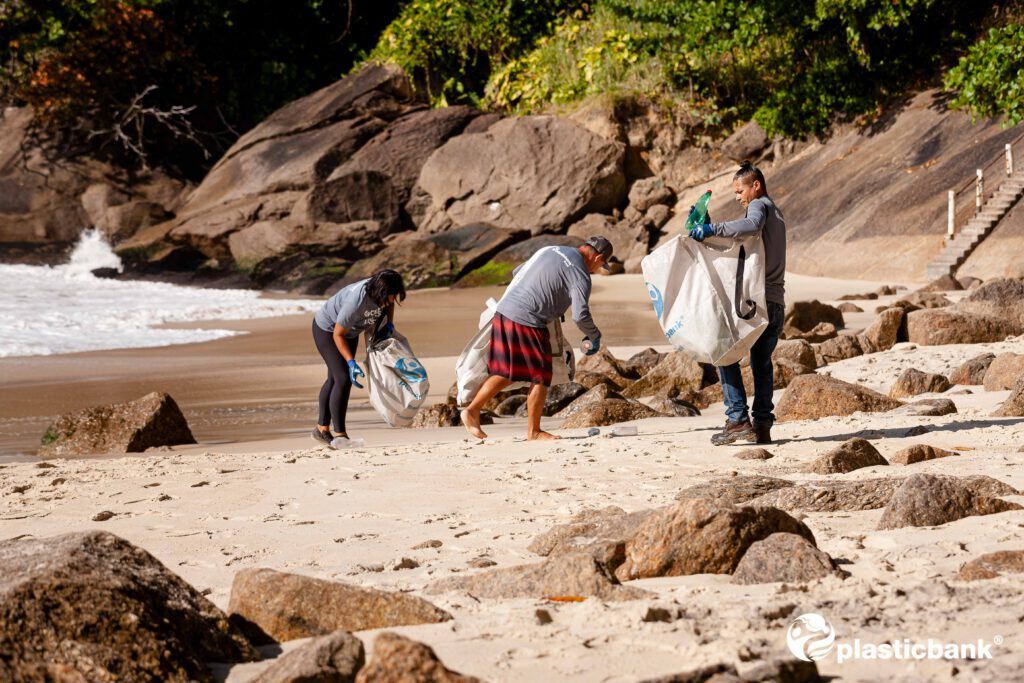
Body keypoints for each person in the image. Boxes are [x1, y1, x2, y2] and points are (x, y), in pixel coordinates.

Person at [461, 237, 612, 441]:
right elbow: (580, 315)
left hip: (504, 311)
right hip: (528, 319)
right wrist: (594, 336)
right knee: (541, 375)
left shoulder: (551, 249)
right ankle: (534, 431)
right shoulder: (580, 273)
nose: (597, 269)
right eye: (601, 265)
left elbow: (518, 273)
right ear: (598, 257)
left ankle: (472, 410)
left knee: (508, 371)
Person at [688, 161, 786, 445]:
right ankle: (763, 425)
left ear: (756, 185)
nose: (738, 197)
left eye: (740, 190)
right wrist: (710, 229)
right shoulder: (776, 214)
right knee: (761, 364)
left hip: (757, 301)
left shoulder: (760, 207)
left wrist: (711, 228)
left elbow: (750, 224)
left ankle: (738, 419)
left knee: (723, 352)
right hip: (776, 301)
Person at [311, 269, 406, 447]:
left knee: (334, 379)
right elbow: (338, 334)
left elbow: (389, 304)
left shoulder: (385, 292)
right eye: (389, 297)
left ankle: (321, 429)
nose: (391, 301)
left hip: (351, 331)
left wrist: (390, 323)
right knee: (343, 378)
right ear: (380, 292)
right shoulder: (356, 302)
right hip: (328, 330)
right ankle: (340, 436)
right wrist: (351, 362)